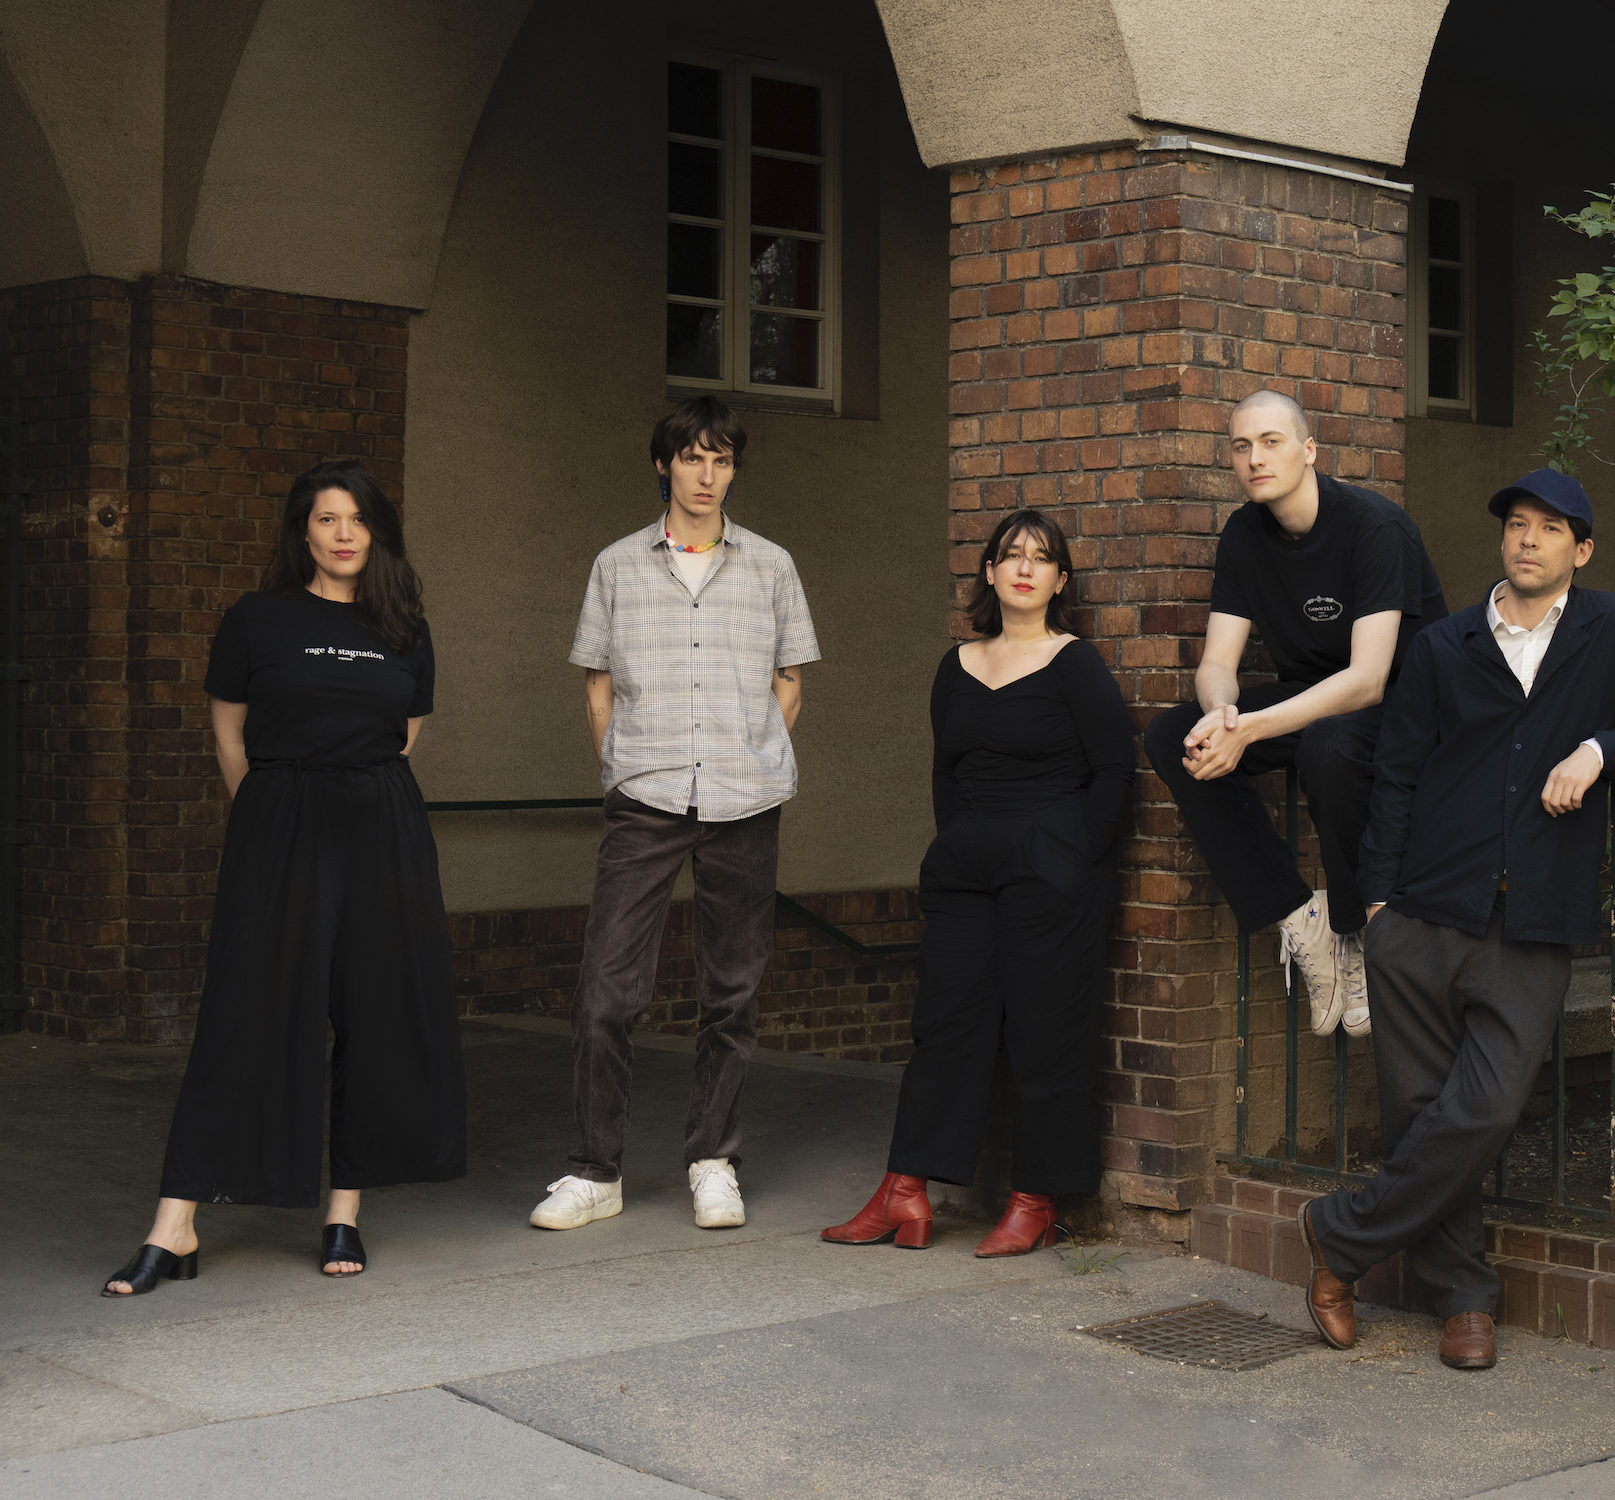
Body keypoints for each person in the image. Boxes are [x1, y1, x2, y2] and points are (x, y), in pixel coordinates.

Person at [1297, 469, 1615, 1369]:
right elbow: (1396, 773)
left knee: (1483, 1109)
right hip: (1423, 912)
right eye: (1517, 524)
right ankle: (1464, 1300)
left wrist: (1599, 749)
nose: (1527, 540)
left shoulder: (1612, 632)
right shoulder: (1444, 645)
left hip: (1536, 919)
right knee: (1418, 1116)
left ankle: (1338, 1238)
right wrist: (1378, 901)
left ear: (1580, 550)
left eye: (1550, 529)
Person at [102, 460, 465, 1295]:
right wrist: (271, 814)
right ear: (302, 530)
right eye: (327, 519)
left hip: (380, 829)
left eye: (357, 520)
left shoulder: (405, 624)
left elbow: (404, 735)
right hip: (280, 825)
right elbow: (230, 738)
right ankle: (176, 1224)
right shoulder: (256, 618)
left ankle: (344, 1211)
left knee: (372, 1014)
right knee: (244, 1015)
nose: (343, 534)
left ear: (377, 532)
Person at [529, 396, 819, 1233]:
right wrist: (623, 765)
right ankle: (595, 1170)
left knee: (731, 992)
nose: (706, 474)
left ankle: (712, 1159)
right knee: (606, 993)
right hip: (646, 797)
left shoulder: (771, 565)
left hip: (744, 797)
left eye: (722, 460)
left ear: (733, 469)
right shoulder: (617, 565)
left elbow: (790, 677)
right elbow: (596, 679)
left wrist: (750, 750)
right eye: (692, 457)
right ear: (665, 464)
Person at [822, 509, 1132, 1256]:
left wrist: (1072, 856)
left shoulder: (1075, 663)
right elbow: (945, 769)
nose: (1024, 567)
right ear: (989, 573)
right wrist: (954, 843)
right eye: (1010, 555)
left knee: (1044, 1030)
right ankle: (905, 1191)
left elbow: (1116, 771)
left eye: (1041, 557)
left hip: (1051, 875)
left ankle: (1035, 1199)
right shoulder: (954, 666)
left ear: (1060, 580)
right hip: (966, 873)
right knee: (944, 1026)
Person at [1144, 390, 1447, 1039]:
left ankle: (1356, 934)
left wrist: (1252, 727)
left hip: (1404, 704)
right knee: (1175, 736)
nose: (1255, 458)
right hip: (1312, 696)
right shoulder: (1244, 535)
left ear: (1309, 450)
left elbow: (1368, 681)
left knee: (1329, 745)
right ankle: (1297, 917)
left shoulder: (1373, 526)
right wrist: (1224, 717)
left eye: (1272, 441)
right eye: (1242, 446)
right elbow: (1217, 664)